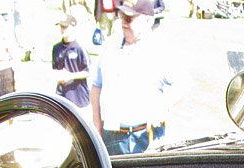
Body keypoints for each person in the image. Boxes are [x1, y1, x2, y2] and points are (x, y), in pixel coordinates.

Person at [90, 0, 179, 155]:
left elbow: (180, 84)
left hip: (143, 137)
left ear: (148, 20)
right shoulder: (110, 44)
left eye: (130, 18)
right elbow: (96, 85)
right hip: (110, 135)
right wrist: (96, 122)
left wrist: (162, 107)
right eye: (122, 15)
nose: (124, 22)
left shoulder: (159, 48)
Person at [52, 14, 91, 109]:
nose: (63, 29)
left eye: (65, 27)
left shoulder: (80, 48)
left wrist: (70, 76)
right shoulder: (56, 48)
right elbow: (55, 68)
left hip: (79, 97)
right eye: (61, 26)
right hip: (62, 96)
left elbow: (88, 71)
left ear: (73, 27)